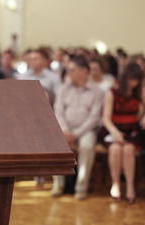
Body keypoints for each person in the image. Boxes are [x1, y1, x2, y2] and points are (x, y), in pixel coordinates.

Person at [51, 55, 104, 200]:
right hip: (65, 128)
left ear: (84, 72)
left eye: (72, 70)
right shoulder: (64, 88)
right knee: (55, 143)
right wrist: (66, 130)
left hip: (86, 130)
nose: (69, 73)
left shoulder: (96, 91)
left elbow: (94, 117)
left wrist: (78, 133)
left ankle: (81, 187)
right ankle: (58, 185)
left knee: (87, 146)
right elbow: (58, 112)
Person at [100, 62, 145, 204]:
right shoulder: (112, 92)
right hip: (113, 128)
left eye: (136, 80)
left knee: (129, 149)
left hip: (132, 129)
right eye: (131, 79)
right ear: (124, 78)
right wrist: (115, 132)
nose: (133, 83)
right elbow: (105, 118)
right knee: (116, 148)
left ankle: (130, 186)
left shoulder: (140, 91)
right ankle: (115, 184)